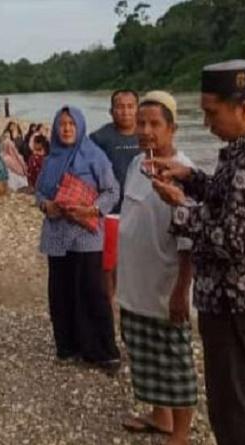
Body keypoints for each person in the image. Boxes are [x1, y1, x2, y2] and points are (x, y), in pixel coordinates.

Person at [147, 60, 245, 445]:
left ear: (243, 108)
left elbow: (232, 239)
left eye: (212, 113)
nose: (207, 123)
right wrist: (191, 179)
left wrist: (179, 204)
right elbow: (234, 199)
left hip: (236, 298)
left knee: (232, 405)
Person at [117, 92, 197, 445]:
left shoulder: (185, 171)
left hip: (165, 287)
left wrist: (181, 290)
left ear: (172, 128)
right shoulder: (137, 165)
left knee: (174, 362)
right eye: (141, 123)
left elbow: (189, 241)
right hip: (134, 282)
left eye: (154, 124)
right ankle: (159, 415)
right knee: (141, 351)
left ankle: (179, 433)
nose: (146, 131)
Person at [35, 105, 120, 374]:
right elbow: (39, 192)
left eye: (72, 124)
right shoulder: (51, 159)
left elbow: (112, 190)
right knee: (61, 292)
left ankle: (102, 351)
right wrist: (46, 206)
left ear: (80, 126)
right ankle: (67, 346)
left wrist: (92, 210)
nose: (67, 128)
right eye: (62, 124)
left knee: (92, 292)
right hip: (57, 235)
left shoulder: (95, 156)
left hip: (86, 235)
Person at [90, 89, 140, 303]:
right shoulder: (99, 138)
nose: (125, 112)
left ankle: (130, 299)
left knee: (135, 260)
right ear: (111, 111)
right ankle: (107, 302)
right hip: (110, 211)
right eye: (120, 107)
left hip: (140, 210)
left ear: (138, 109)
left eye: (130, 106)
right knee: (107, 262)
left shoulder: (147, 134)